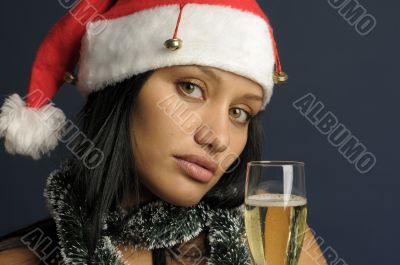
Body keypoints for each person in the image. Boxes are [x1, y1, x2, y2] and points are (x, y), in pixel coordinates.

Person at [0, 0, 327, 264]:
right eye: (191, 87)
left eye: (240, 113)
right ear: (123, 88)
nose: (219, 138)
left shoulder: (277, 244)